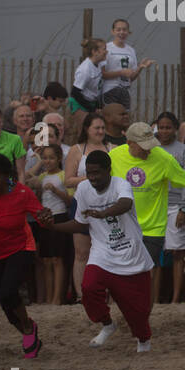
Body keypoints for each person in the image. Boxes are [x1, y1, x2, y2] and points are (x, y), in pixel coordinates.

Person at [50, 150, 156, 351]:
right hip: (102, 254)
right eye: (89, 173)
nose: (92, 178)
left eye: (97, 173)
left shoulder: (121, 184)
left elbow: (126, 204)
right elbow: (81, 224)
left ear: (108, 170)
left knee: (138, 312)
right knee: (88, 289)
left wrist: (103, 214)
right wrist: (53, 227)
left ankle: (143, 340)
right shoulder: (83, 189)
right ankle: (108, 324)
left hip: (130, 254)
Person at [109, 122, 185, 300]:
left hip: (153, 228)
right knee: (120, 271)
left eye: (151, 146)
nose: (148, 151)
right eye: (144, 148)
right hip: (124, 226)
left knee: (147, 273)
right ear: (129, 143)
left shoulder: (163, 158)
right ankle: (119, 308)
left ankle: (143, 318)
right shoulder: (113, 156)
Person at [0, 153, 53, 356]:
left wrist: (46, 218)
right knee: (4, 301)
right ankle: (28, 331)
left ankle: (28, 327)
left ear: (7, 175)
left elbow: (42, 217)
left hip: (20, 248)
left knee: (7, 291)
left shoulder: (22, 192)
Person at [63, 111, 111, 300]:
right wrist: (92, 176)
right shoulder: (77, 150)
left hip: (107, 204)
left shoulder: (112, 148)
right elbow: (68, 180)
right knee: (82, 252)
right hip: (81, 204)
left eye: (102, 128)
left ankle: (105, 292)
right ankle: (82, 295)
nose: (100, 131)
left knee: (107, 250)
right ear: (86, 129)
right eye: (96, 128)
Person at [154, 112, 185, 303]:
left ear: (175, 128)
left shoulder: (183, 151)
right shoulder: (151, 149)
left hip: (177, 205)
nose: (164, 131)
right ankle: (154, 297)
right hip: (155, 206)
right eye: (161, 127)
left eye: (168, 127)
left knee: (178, 252)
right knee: (154, 253)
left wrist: (184, 208)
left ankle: (176, 298)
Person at [25, 142, 71, 305]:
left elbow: (70, 200)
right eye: (45, 158)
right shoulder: (42, 177)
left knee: (58, 259)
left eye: (51, 158)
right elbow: (27, 177)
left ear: (59, 158)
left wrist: (56, 191)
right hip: (44, 219)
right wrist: (38, 162)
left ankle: (57, 298)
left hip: (59, 217)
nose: (48, 161)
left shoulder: (64, 175)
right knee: (46, 260)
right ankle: (48, 296)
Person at [100, 18, 154, 108]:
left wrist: (140, 67)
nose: (122, 32)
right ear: (113, 32)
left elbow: (131, 77)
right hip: (110, 90)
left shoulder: (131, 50)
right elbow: (102, 74)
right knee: (111, 118)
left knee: (123, 119)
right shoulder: (107, 48)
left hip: (125, 92)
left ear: (128, 32)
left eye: (124, 30)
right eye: (118, 30)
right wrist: (120, 72)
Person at [70, 38, 107, 115]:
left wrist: (97, 105)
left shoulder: (99, 64)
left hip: (91, 103)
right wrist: (90, 108)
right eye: (104, 49)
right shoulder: (85, 69)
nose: (106, 52)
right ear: (94, 52)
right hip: (79, 104)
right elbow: (75, 92)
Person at [0, 107, 27, 182]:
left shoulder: (15, 139)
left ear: (3, 122)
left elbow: (21, 172)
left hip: (7, 185)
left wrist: (21, 191)